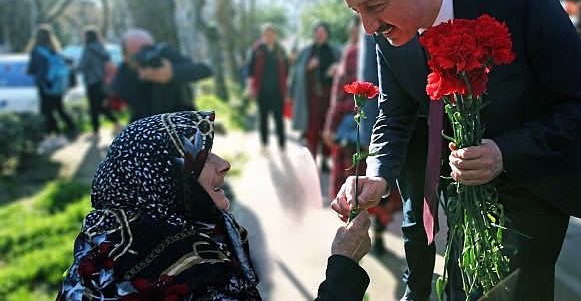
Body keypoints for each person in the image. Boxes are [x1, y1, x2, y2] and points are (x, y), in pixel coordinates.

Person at [330, 0, 581, 300]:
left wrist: (504, 153)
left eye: (374, 7)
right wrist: (377, 175)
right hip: (461, 197)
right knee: (459, 292)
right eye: (356, 12)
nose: (367, 27)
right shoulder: (388, 30)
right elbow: (394, 115)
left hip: (533, 183)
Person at [55, 110, 372, 301]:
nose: (226, 165)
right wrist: (344, 264)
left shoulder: (103, 238)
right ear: (168, 182)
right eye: (203, 159)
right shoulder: (189, 270)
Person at [357, 0, 452, 298]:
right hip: (412, 132)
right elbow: (380, 79)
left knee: (462, 215)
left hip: (463, 133)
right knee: (417, 220)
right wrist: (374, 156)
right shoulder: (383, 9)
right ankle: (417, 290)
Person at [323, 16, 402, 256]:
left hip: (364, 129)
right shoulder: (392, 46)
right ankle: (375, 233)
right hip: (382, 130)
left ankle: (358, 235)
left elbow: (339, 93)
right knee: (379, 183)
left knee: (360, 185)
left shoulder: (353, 53)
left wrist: (331, 124)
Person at [112, 28, 212, 123]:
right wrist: (141, 77)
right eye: (138, 52)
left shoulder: (166, 55)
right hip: (146, 122)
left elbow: (204, 70)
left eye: (148, 48)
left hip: (180, 116)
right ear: (125, 56)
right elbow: (119, 90)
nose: (145, 54)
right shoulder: (126, 70)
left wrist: (172, 74)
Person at [289, 21, 340, 170]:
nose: (320, 34)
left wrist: (336, 69)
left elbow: (343, 69)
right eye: (318, 31)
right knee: (312, 126)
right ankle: (312, 159)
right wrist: (308, 67)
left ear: (327, 33)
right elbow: (297, 72)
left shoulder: (335, 51)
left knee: (328, 126)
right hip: (311, 97)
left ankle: (325, 159)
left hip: (330, 95)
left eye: (323, 31)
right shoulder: (307, 51)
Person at [26, 23, 77, 145]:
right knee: (59, 108)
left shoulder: (37, 51)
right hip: (57, 85)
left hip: (44, 85)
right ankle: (71, 129)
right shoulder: (54, 50)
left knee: (46, 111)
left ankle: (53, 135)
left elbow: (32, 68)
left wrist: (28, 71)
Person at [246, 23, 289, 152]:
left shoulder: (280, 51)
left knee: (279, 119)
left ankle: (282, 145)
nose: (269, 37)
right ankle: (264, 144)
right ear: (262, 36)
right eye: (266, 34)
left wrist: (287, 91)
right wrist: (250, 88)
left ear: (276, 35)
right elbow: (250, 71)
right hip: (262, 91)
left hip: (278, 91)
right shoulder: (257, 50)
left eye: (272, 34)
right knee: (263, 119)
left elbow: (287, 71)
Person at [76, 26, 122, 139]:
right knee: (101, 106)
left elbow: (82, 66)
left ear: (87, 37)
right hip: (105, 81)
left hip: (93, 81)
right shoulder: (102, 48)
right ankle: (116, 124)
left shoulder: (88, 49)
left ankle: (96, 132)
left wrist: (73, 68)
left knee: (94, 107)